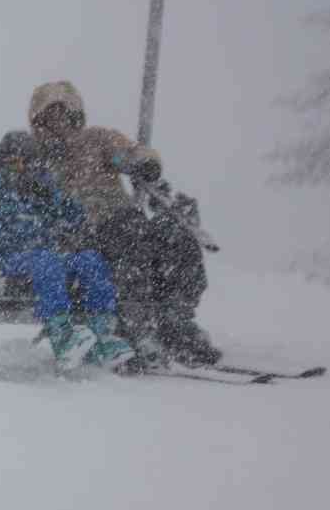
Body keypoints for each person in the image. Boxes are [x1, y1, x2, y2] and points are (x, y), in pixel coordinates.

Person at [25, 80, 220, 365]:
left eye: (65, 114)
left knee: (175, 236)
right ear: (39, 120)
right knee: (130, 241)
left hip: (122, 217)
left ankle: (176, 318)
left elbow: (128, 153)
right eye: (50, 116)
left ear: (76, 115)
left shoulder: (98, 140)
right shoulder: (32, 154)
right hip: (77, 234)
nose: (59, 123)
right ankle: (136, 326)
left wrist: (144, 162)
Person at [0, 131, 137, 370]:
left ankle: (101, 333)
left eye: (26, 163)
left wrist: (56, 198)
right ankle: (61, 334)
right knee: (46, 260)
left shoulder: (41, 190)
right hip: (8, 258)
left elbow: (76, 217)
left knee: (89, 260)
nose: (20, 169)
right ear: (3, 163)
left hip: (45, 253)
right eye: (13, 163)